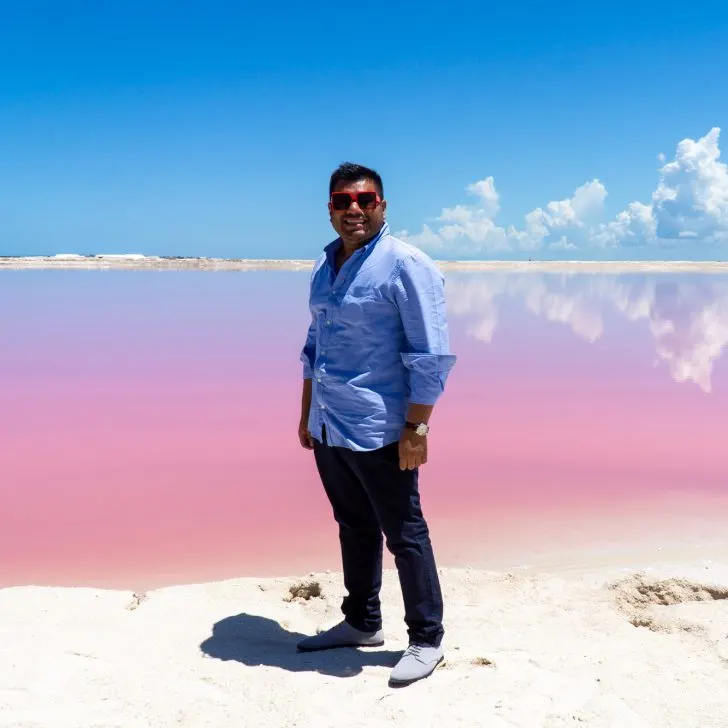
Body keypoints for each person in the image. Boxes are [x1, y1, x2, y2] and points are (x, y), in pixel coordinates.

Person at [296, 162, 457, 688]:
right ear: (330, 209)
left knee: (404, 531)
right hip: (329, 423)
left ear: (382, 206)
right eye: (343, 201)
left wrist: (418, 428)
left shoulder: (405, 265)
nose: (354, 210)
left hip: (381, 425)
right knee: (353, 525)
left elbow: (430, 355)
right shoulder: (326, 266)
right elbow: (314, 347)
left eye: (365, 200)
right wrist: (305, 414)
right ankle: (362, 621)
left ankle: (426, 638)